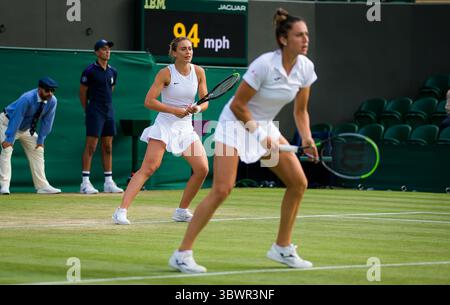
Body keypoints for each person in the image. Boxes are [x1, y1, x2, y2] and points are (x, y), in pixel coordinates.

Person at [168, 8, 319, 273]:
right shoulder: (264, 65)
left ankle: (282, 247)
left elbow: (300, 111)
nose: (305, 39)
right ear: (284, 39)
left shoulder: (305, 68)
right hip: (235, 125)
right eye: (299, 35)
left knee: (298, 182)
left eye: (306, 34)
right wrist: (261, 137)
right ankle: (182, 254)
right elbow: (239, 106)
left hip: (265, 126)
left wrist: (306, 137)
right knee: (223, 189)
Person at [112, 37, 209, 225]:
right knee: (149, 168)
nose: (188, 52)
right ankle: (120, 211)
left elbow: (205, 101)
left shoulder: (199, 72)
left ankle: (181, 211)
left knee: (202, 169)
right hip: (165, 126)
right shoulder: (165, 73)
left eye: (190, 49)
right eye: (183, 49)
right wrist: (175, 110)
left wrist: (196, 109)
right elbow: (149, 101)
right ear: (174, 53)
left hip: (186, 128)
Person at [0, 77, 62, 195]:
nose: (50, 94)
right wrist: (9, 137)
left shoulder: (52, 101)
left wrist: (41, 139)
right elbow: (17, 118)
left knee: (38, 150)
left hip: (26, 129)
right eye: (47, 90)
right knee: (7, 149)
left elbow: (47, 121)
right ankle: (4, 186)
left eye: (52, 91)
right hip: (7, 123)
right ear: (39, 89)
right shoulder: (27, 98)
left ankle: (42, 186)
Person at [79, 39, 123, 194]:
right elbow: (83, 92)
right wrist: (89, 109)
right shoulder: (89, 70)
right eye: (104, 49)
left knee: (108, 146)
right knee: (91, 146)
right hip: (94, 109)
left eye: (108, 49)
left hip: (108, 110)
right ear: (97, 52)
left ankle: (108, 182)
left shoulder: (113, 71)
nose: (107, 52)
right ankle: (85, 183)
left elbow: (111, 89)